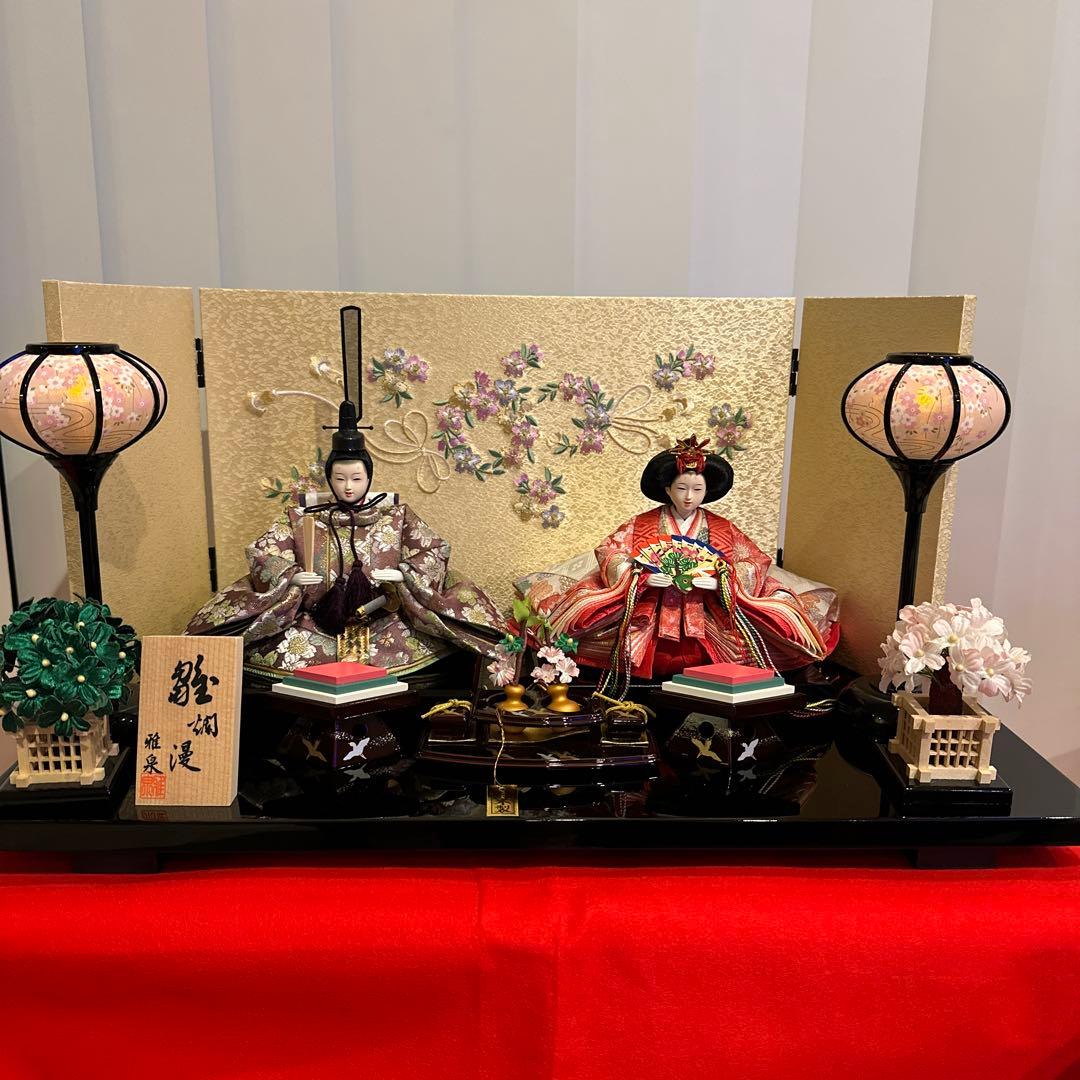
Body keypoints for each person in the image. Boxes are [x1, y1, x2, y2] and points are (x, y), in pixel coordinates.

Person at [187, 397, 505, 679]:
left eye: (356, 478)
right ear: (329, 478)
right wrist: (290, 576)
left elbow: (434, 549)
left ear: (369, 477)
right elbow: (262, 551)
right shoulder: (301, 517)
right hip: (313, 624)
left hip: (385, 622)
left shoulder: (396, 514)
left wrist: (405, 573)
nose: (348, 487)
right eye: (339, 478)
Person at [525, 435, 839, 687]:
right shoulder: (642, 523)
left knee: (780, 610)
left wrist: (721, 582)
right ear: (667, 489)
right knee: (582, 609)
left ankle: (794, 670)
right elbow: (611, 551)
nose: (689, 497)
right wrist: (640, 577)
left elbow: (752, 560)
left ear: (707, 491)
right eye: (681, 488)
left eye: (697, 489)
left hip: (709, 606)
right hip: (651, 602)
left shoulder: (722, 527)